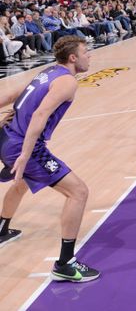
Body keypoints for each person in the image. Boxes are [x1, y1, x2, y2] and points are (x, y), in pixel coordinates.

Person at [0, 36, 100, 282]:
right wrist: (25, 154)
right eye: (86, 52)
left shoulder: (49, 71)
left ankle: (2, 229)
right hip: (24, 146)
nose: (90, 56)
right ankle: (65, 264)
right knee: (78, 192)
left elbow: (15, 94)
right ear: (73, 58)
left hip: (6, 137)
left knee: (21, 182)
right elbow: (41, 113)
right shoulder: (67, 81)